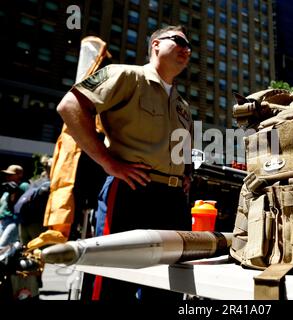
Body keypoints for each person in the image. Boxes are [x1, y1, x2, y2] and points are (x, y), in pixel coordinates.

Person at [56, 25, 193, 300]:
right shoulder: (125, 74)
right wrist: (108, 162)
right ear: (155, 45)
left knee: (168, 286)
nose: (186, 49)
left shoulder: (183, 105)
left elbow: (183, 149)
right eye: (178, 41)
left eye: (189, 47)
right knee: (113, 282)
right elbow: (69, 106)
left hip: (173, 201)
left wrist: (186, 175)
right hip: (131, 191)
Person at [0, 165, 29, 247]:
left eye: (10, 175)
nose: (7, 177)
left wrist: (15, 192)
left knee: (2, 246)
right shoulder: (8, 188)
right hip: (2, 221)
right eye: (6, 174)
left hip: (13, 220)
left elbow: (26, 203)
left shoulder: (23, 186)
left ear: (19, 175)